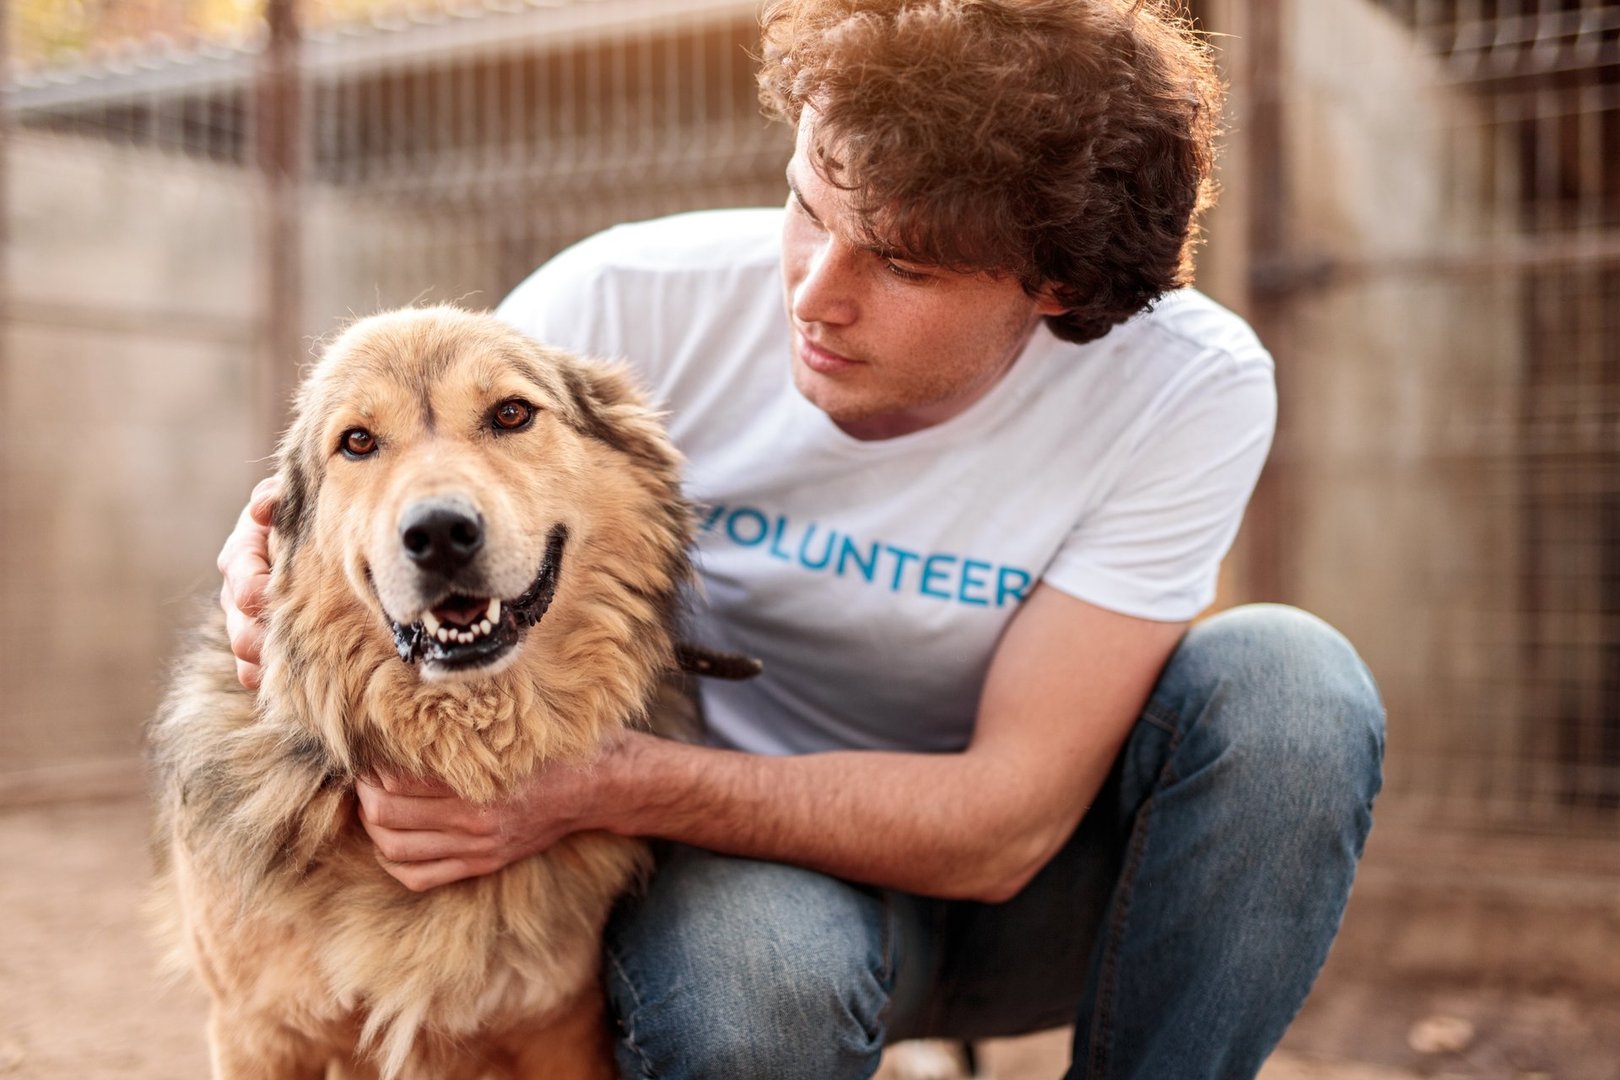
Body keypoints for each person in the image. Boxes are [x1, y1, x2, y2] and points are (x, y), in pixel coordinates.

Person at [217, 1, 1385, 1076]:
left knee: (1293, 687)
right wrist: (261, 553)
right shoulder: (623, 298)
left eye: (902, 262)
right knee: (753, 988)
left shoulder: (1184, 385)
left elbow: (1006, 825)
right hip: (747, 888)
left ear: (1058, 290)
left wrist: (594, 785)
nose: (814, 293)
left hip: (1040, 894)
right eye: (808, 208)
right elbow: (400, 471)